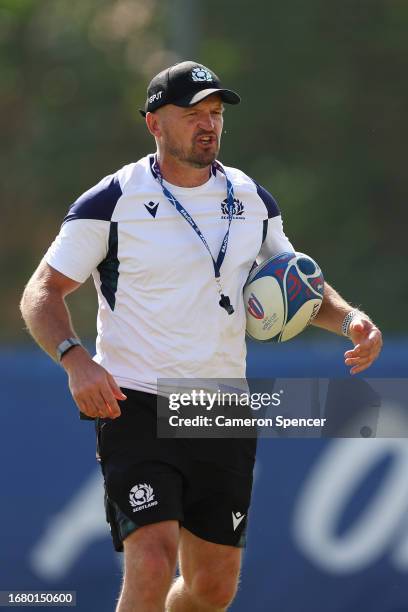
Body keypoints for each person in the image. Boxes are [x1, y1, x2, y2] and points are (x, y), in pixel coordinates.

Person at [20, 61, 382, 612]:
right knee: (151, 558)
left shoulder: (251, 199)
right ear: (154, 124)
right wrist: (75, 359)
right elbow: (41, 293)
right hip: (135, 400)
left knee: (211, 589)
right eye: (193, 114)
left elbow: (296, 283)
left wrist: (350, 318)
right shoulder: (111, 201)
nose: (208, 124)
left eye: (214, 113)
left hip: (220, 404)